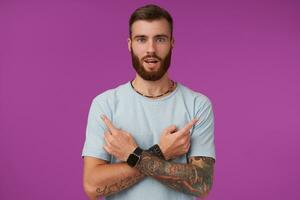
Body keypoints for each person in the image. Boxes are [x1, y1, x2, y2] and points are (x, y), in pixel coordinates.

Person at [82, 4, 216, 200]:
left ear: (172, 43)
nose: (151, 49)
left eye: (160, 39)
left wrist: (132, 154)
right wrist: (161, 152)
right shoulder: (105, 104)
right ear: (130, 44)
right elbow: (92, 186)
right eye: (141, 39)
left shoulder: (197, 104)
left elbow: (202, 183)